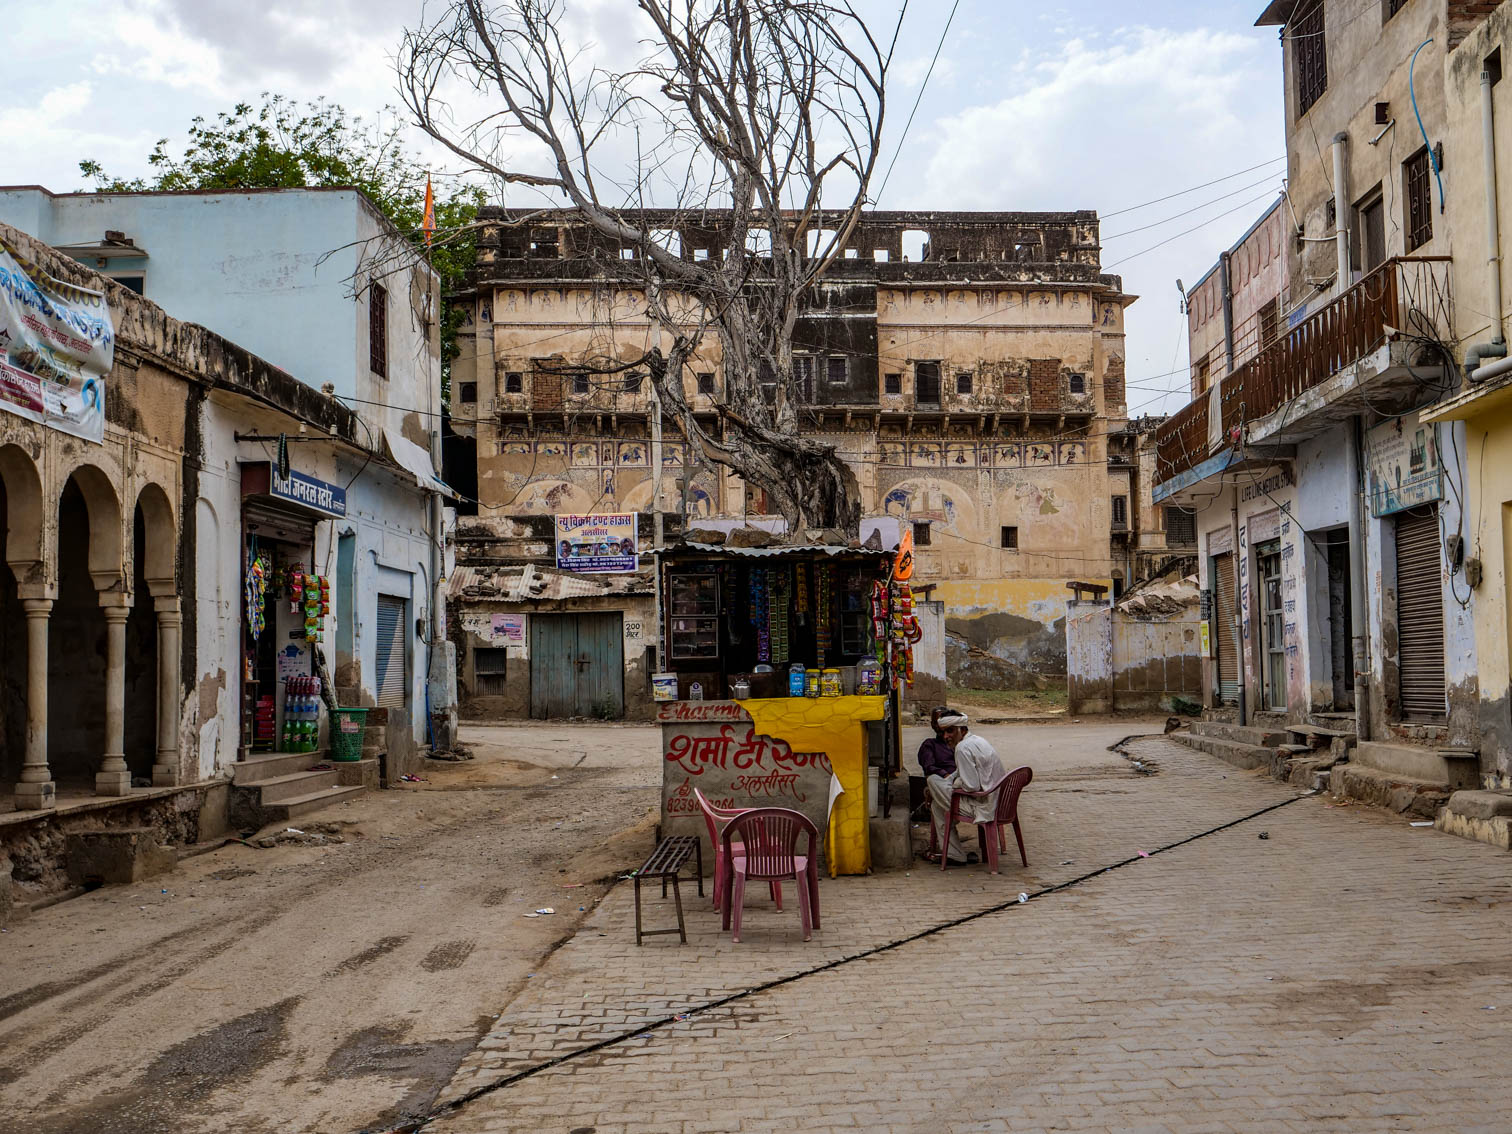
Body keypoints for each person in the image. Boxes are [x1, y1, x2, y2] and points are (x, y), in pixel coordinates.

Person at [926, 713, 1007, 865]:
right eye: (944, 732)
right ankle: (954, 854)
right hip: (997, 801)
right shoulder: (977, 740)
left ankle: (955, 854)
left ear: (962, 730)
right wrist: (950, 781)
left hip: (984, 806)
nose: (946, 736)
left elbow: (971, 786)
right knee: (937, 806)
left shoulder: (962, 748)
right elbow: (961, 772)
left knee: (932, 780)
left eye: (950, 731)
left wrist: (954, 784)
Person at [916, 706, 957, 780]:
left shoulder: (959, 742)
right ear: (932, 725)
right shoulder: (929, 745)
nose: (939, 726)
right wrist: (946, 775)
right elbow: (929, 767)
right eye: (936, 723)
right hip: (944, 781)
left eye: (942, 722)